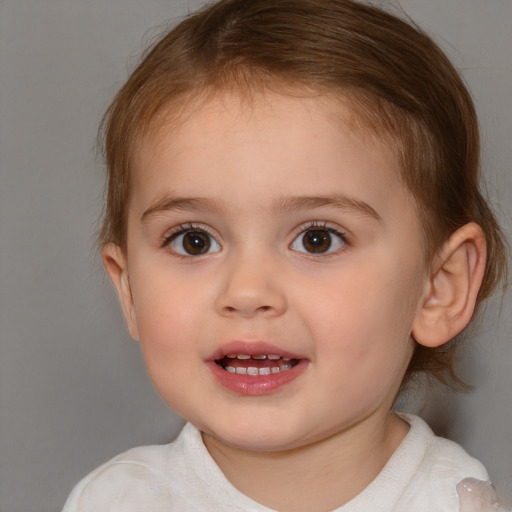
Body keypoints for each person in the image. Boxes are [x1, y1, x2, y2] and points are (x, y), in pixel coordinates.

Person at [62, 0, 509, 510]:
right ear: (129, 290)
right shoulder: (115, 501)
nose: (247, 291)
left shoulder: (459, 503)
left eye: (318, 239)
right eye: (194, 241)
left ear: (438, 288)